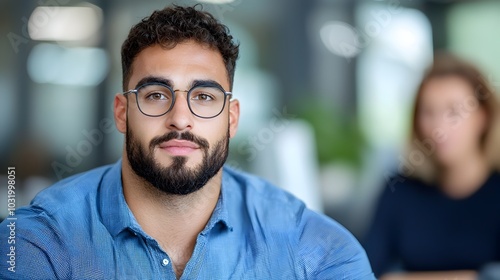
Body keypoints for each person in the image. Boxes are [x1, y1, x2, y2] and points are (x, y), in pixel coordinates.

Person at [0, 5, 374, 279]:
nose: (180, 118)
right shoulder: (37, 243)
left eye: (205, 97)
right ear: (121, 112)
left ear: (232, 119)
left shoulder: (316, 250)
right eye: (156, 95)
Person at [364, 53, 500, 280]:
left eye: (454, 112)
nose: (439, 127)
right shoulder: (399, 190)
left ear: (483, 117)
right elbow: (365, 272)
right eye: (428, 112)